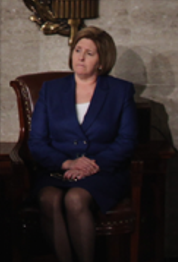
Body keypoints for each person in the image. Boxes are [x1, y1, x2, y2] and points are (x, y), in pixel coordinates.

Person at [28, 26, 138, 262]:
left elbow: (127, 140)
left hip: (102, 171)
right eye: (78, 50)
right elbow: (37, 141)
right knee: (49, 198)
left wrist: (91, 165)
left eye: (90, 53)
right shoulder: (51, 90)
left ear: (102, 60)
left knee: (75, 199)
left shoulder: (120, 91)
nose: (80, 56)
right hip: (58, 169)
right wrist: (67, 163)